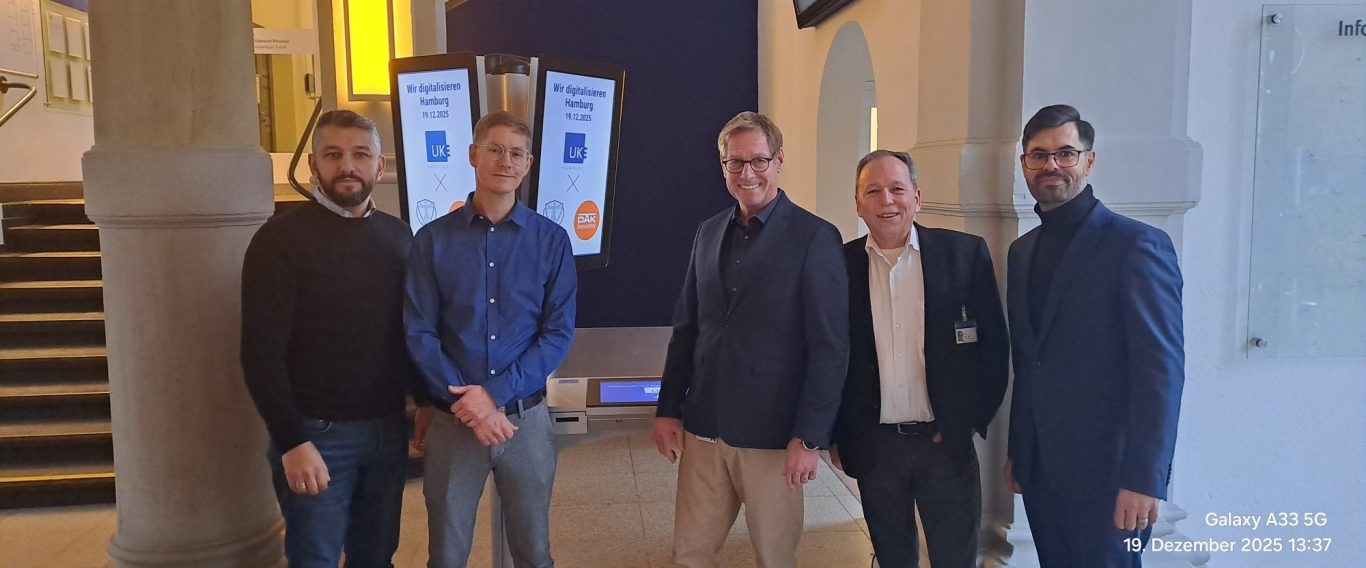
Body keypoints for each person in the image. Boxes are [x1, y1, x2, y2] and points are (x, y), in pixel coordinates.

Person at [652, 111, 849, 568]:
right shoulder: (707, 232)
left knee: (774, 558)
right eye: (735, 162)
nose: (747, 173)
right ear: (722, 166)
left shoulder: (815, 237)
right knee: (689, 554)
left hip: (773, 437)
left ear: (778, 161)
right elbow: (687, 329)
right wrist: (668, 409)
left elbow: (830, 347)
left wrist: (810, 437)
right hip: (705, 427)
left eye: (758, 160)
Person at [1004, 104, 1185, 567]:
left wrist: (1144, 479)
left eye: (1065, 153)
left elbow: (1160, 371)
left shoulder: (1136, 245)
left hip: (1111, 477)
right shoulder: (1022, 252)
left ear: (1089, 159)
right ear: (1024, 164)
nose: (1051, 165)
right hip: (1043, 471)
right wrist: (1021, 451)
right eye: (1038, 155)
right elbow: (1029, 362)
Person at [240, 109, 414, 567]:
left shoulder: (399, 237)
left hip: (388, 430)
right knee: (313, 558)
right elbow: (260, 353)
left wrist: (426, 402)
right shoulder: (278, 241)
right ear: (313, 165)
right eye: (333, 155)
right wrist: (291, 441)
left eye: (361, 154)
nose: (347, 166)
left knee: (376, 557)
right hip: (316, 435)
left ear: (380, 165)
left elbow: (407, 332)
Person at [405, 110, 576, 568]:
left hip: (525, 422)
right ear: (472, 154)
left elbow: (557, 334)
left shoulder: (552, 241)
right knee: (446, 555)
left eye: (517, 153)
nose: (506, 161)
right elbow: (419, 331)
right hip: (452, 424)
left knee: (534, 554)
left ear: (529, 163)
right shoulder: (431, 240)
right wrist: (470, 405)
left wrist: (493, 396)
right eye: (495, 149)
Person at [830, 150, 1008, 567]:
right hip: (875, 447)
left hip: (944, 444)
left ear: (917, 197)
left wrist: (966, 421)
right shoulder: (838, 265)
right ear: (858, 204)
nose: (886, 200)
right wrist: (837, 432)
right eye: (873, 191)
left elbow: (994, 350)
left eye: (897, 188)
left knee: (954, 557)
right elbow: (829, 357)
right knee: (893, 557)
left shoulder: (963, 254)